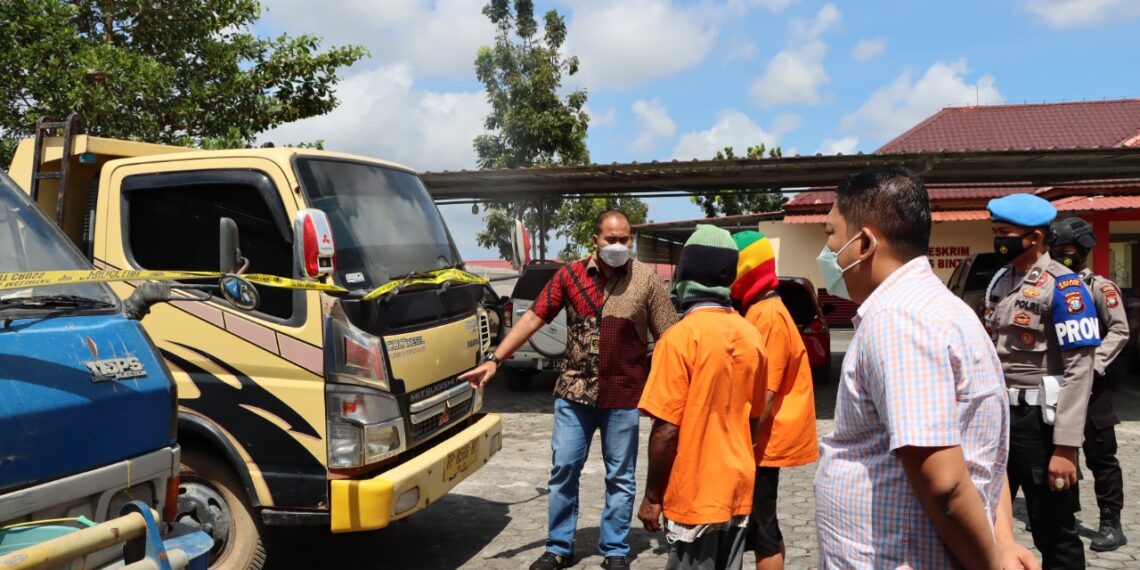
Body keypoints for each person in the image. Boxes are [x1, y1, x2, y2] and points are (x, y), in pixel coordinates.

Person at [814, 167, 1037, 569]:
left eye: (830, 235)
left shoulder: (898, 319)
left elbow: (947, 485)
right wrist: (1000, 539)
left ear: (864, 243)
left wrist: (991, 563)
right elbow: (983, 455)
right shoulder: (942, 307)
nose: (827, 251)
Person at [460, 209, 678, 570]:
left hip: (624, 396)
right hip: (574, 395)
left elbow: (670, 335)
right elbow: (534, 316)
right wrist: (495, 358)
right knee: (564, 470)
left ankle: (615, 550)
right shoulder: (570, 276)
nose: (619, 246)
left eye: (625, 239)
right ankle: (559, 546)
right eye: (612, 239)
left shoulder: (647, 281)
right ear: (595, 240)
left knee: (620, 477)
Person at [636, 224, 766, 570]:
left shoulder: (679, 339)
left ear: (686, 273)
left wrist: (652, 497)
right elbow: (755, 417)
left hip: (695, 494)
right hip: (738, 489)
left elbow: (666, 429)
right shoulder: (752, 336)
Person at [985, 194, 1101, 569]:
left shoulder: (1065, 288)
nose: (997, 240)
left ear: (1034, 238)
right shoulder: (1002, 279)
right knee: (988, 523)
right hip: (999, 417)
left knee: (1053, 531)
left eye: (1004, 233)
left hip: (1039, 426)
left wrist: (1066, 447)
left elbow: (1079, 370)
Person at [728, 230, 818, 570]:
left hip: (763, 444)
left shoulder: (767, 315)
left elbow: (763, 393)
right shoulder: (762, 309)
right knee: (765, 524)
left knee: (762, 529)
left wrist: (744, 443)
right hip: (763, 442)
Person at [1048, 216, 1130, 551]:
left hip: (1093, 387)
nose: (1059, 256)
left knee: (1102, 457)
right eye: (1055, 251)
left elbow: (1120, 330)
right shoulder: (1048, 285)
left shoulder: (1100, 288)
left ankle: (1111, 521)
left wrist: (1092, 367)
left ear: (1082, 251)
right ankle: (1065, 514)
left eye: (1065, 251)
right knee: (1059, 450)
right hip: (1056, 384)